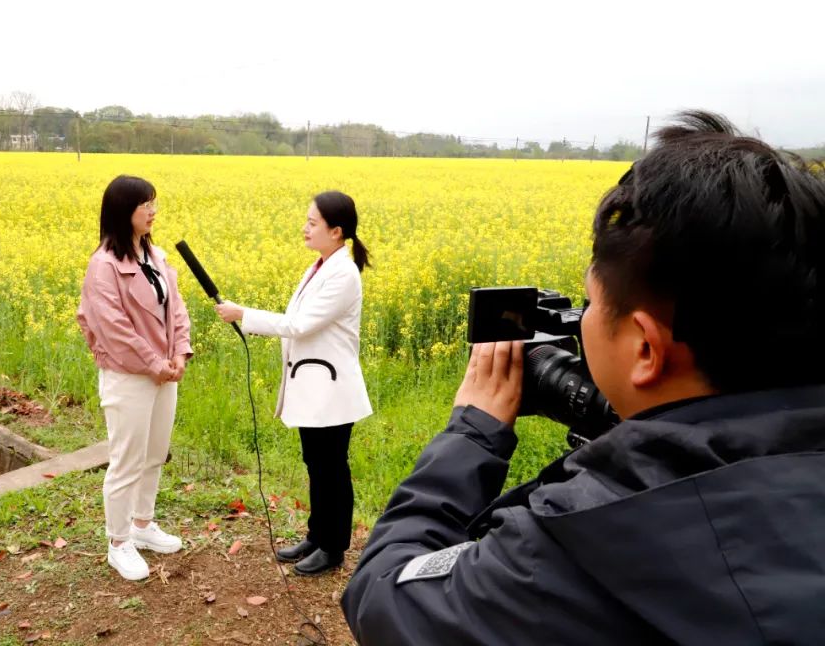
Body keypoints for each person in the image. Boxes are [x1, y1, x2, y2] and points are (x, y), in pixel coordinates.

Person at [341, 111, 825, 644]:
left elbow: (383, 597)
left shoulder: (570, 553)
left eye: (591, 303)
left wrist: (471, 435)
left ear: (645, 348)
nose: (582, 321)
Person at [216, 190, 373, 576]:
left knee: (332, 468)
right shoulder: (320, 265)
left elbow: (300, 325)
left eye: (312, 223)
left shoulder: (344, 274)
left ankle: (333, 548)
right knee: (316, 464)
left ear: (336, 231)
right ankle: (317, 536)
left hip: (331, 390)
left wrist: (244, 314)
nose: (305, 228)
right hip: (313, 385)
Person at [76, 175, 193, 581]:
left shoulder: (155, 255)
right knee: (127, 460)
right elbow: (113, 328)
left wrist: (179, 353)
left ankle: (143, 526)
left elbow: (175, 309)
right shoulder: (103, 266)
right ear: (122, 210)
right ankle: (118, 542)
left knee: (155, 452)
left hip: (165, 372)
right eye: (145, 204)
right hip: (129, 376)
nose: (152, 211)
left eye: (154, 203)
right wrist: (157, 363)